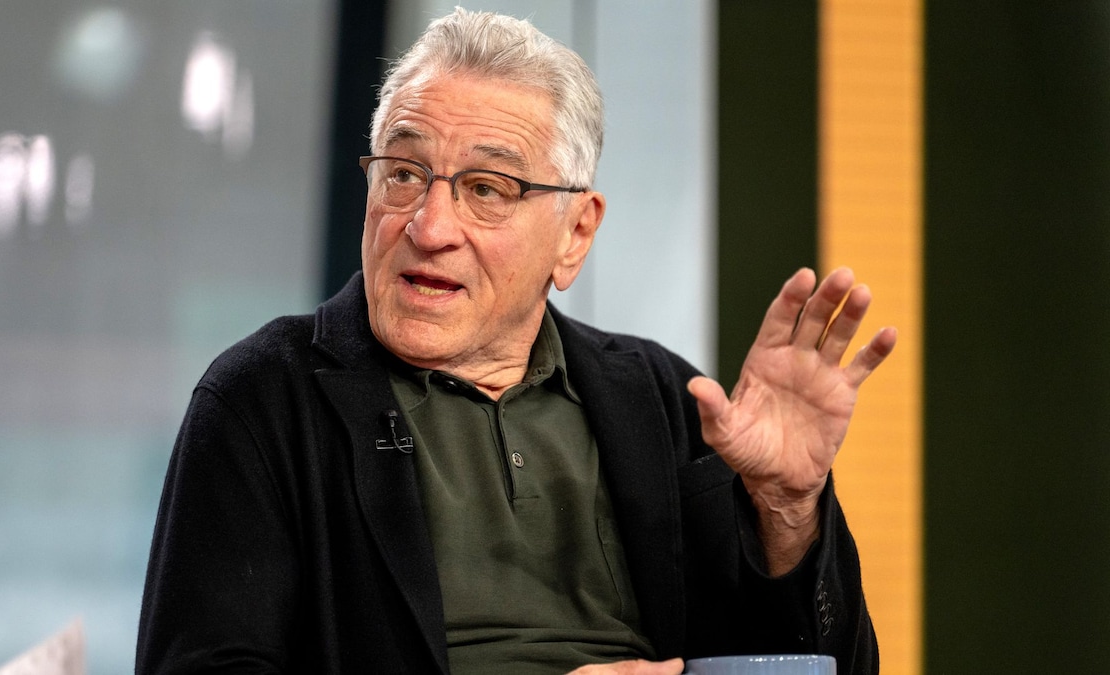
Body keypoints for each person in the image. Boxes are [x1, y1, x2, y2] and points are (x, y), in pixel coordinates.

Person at [136, 8, 895, 675]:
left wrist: (787, 509)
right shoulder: (263, 399)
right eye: (403, 173)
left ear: (575, 234)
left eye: (486, 189)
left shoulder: (663, 399)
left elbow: (818, 665)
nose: (429, 226)